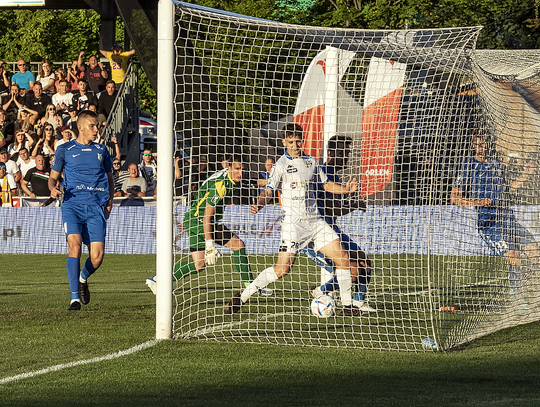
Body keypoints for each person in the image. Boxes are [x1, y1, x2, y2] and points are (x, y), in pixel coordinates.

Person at [223, 124, 359, 315]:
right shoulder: (280, 166)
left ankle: (347, 306)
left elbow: (326, 184)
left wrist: (345, 189)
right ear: (284, 142)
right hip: (294, 224)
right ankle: (242, 297)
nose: (295, 145)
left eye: (298, 141)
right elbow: (269, 190)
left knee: (343, 258)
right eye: (290, 141)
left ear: (302, 140)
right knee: (282, 270)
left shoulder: (312, 161)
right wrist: (261, 203)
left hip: (316, 222)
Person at [145, 155, 271, 296]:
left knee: (238, 246)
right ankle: (157, 279)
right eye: (237, 169)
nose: (240, 173)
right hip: (198, 221)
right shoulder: (220, 185)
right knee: (200, 264)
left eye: (243, 169)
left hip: (206, 221)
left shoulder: (232, 177)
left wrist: (260, 182)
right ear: (228, 167)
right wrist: (210, 246)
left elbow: (246, 180)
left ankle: (251, 286)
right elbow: (206, 217)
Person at [450, 130, 539, 312]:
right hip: (488, 223)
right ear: (473, 145)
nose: (482, 147)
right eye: (478, 143)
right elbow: (454, 197)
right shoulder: (468, 166)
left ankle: (526, 289)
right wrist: (476, 202)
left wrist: (525, 174)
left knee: (535, 253)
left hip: (507, 217)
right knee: (515, 258)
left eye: (484, 143)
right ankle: (518, 297)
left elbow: (509, 190)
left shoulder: (497, 165)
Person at [299, 135, 375, 312]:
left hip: (331, 230)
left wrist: (351, 201)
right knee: (352, 269)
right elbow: (335, 210)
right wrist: (354, 204)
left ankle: (358, 301)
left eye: (347, 152)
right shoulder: (324, 173)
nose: (346, 156)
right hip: (316, 235)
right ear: (331, 152)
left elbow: (334, 209)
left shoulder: (332, 173)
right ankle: (321, 291)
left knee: (364, 262)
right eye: (342, 152)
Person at [48, 110, 114, 311]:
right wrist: (52, 188)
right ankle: (74, 299)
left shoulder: (102, 151)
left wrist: (109, 202)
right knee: (74, 245)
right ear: (81, 127)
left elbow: (110, 180)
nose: (97, 129)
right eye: (93, 126)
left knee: (97, 257)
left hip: (96, 207)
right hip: (72, 205)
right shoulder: (64, 149)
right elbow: (53, 177)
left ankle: (83, 277)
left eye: (97, 126)